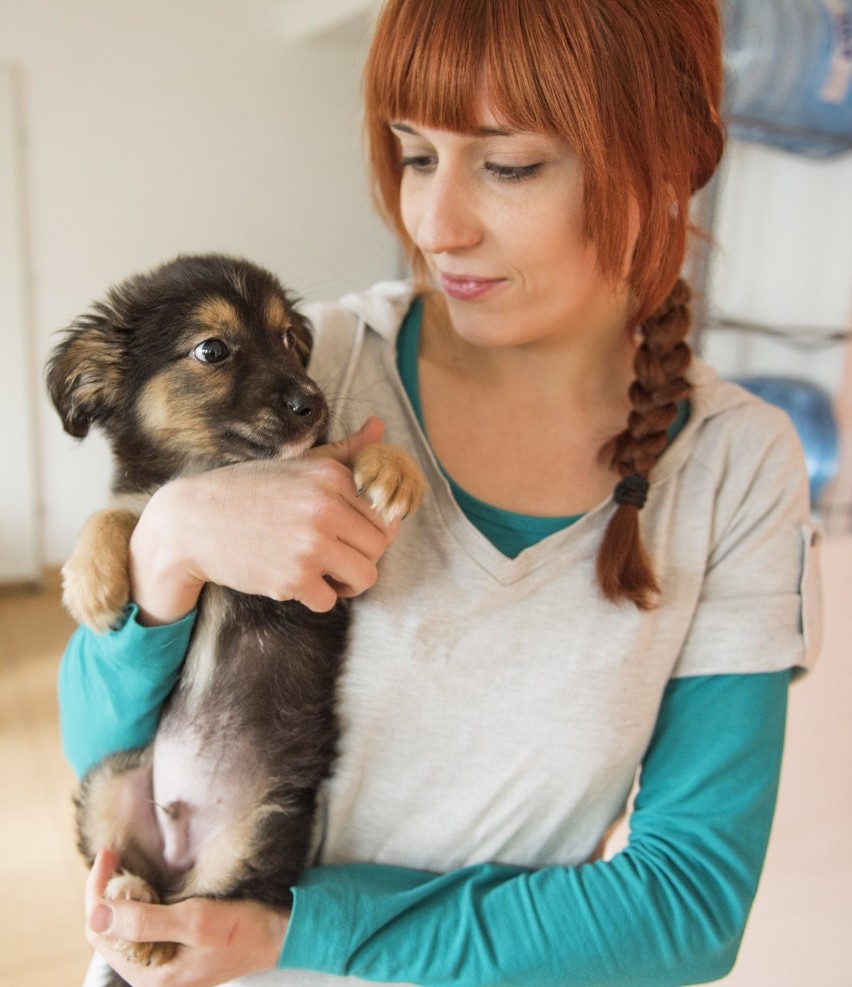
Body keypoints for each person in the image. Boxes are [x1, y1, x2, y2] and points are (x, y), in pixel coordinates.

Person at [60, 1, 822, 984]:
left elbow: (689, 910)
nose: (435, 224)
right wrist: (168, 542)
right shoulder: (311, 370)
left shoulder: (736, 468)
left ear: (664, 160)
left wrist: (292, 932)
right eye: (417, 155)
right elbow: (106, 759)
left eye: (507, 165)